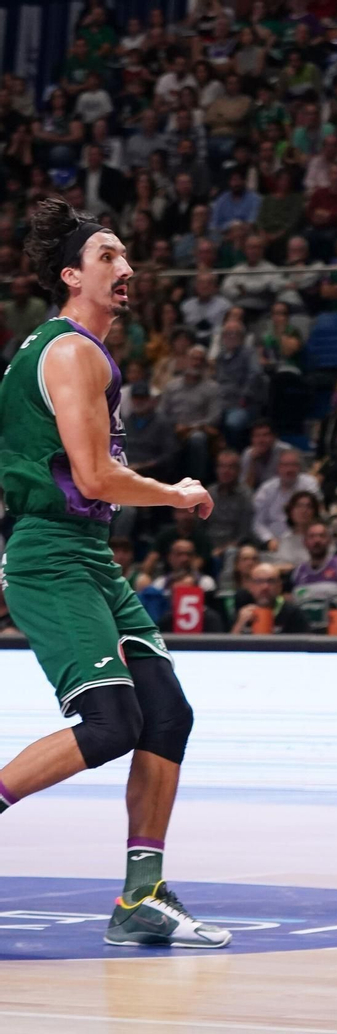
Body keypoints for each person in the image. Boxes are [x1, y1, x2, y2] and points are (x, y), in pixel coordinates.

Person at [0, 198, 231, 948]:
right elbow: (96, 478)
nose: (126, 267)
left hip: (87, 554)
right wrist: (177, 494)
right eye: (107, 256)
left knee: (166, 714)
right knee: (110, 725)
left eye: (126, 255)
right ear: (72, 276)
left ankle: (141, 897)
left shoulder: (75, 351)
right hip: (51, 555)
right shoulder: (71, 353)